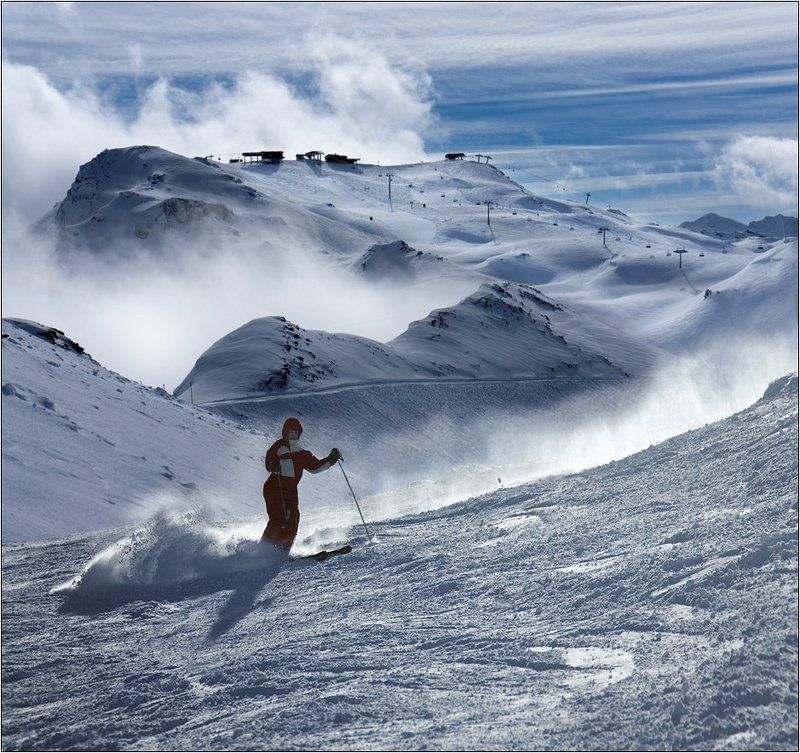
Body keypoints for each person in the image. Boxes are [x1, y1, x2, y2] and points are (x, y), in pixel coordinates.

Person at [261, 417, 340, 552]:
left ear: (299, 434)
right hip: (274, 487)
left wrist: (331, 459)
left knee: (293, 519)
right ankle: (263, 550)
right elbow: (269, 463)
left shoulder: (302, 454)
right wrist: (273, 464)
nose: (292, 434)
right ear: (285, 432)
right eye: (290, 432)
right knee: (278, 518)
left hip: (291, 491)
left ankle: (282, 549)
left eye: (295, 432)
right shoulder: (279, 446)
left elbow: (315, 467)